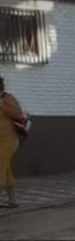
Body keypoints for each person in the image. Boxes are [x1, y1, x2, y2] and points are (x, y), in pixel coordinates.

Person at [0, 75, 23, 208]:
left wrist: (3, 107)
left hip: (9, 139)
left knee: (0, 164)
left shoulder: (7, 98)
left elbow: (18, 114)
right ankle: (12, 200)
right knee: (6, 168)